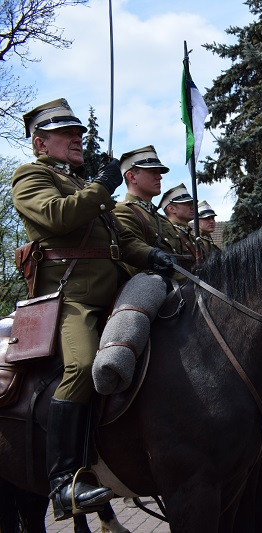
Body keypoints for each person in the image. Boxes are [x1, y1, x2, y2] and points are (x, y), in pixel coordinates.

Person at [12, 99, 174, 521]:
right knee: (82, 368)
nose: (77, 138)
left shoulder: (82, 185)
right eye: (66, 133)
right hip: (73, 299)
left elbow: (119, 241)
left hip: (117, 291)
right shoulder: (31, 177)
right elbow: (57, 218)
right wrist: (100, 188)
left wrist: (153, 256)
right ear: (40, 143)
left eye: (78, 131)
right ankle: (65, 481)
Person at [113, 145, 194, 274]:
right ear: (132, 177)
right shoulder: (123, 211)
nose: (159, 177)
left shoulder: (160, 218)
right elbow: (134, 263)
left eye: (159, 172)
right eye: (152, 171)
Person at [158, 183, 198, 262]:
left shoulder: (191, 237)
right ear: (172, 209)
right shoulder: (165, 234)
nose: (193, 207)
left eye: (193, 204)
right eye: (187, 204)